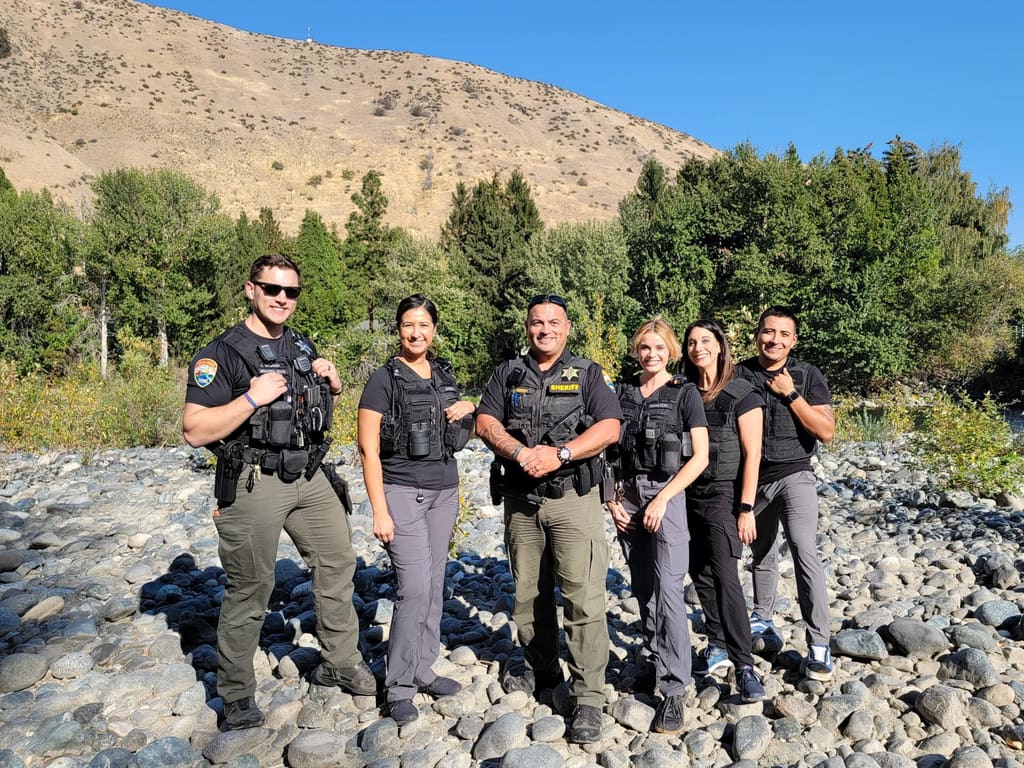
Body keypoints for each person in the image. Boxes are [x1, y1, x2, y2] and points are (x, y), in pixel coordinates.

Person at [183, 253, 375, 731]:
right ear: (251, 290)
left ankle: (341, 660)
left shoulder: (300, 345)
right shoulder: (222, 353)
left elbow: (312, 409)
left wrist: (332, 385)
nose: (282, 299)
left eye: (291, 292)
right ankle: (237, 694)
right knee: (251, 586)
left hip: (308, 474)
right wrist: (251, 398)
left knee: (337, 561)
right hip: (252, 480)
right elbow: (194, 429)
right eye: (272, 289)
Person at [475, 294, 623, 744]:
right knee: (527, 594)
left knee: (583, 598)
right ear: (527, 327)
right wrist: (518, 451)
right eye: (537, 323)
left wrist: (560, 454)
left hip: (572, 500)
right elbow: (484, 421)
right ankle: (542, 672)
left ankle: (588, 698)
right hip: (522, 501)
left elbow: (611, 425)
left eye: (553, 322)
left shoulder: (588, 373)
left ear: (568, 327)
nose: (545, 330)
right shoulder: (508, 373)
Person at [357, 295, 476, 725]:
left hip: (445, 491)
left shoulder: (443, 374)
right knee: (413, 590)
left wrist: (471, 409)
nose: (416, 333)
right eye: (409, 325)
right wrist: (379, 510)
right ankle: (399, 686)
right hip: (402, 492)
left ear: (434, 329)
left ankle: (424, 668)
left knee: (435, 583)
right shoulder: (383, 380)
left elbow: (461, 427)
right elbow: (368, 448)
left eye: (424, 325)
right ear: (398, 329)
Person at [606, 318, 709, 733]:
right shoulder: (623, 393)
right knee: (643, 590)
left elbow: (699, 457)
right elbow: (609, 450)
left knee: (668, 592)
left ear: (671, 351)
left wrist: (664, 499)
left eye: (659, 348)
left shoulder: (684, 393)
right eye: (645, 348)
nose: (652, 355)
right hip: (626, 494)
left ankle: (674, 688)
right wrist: (611, 499)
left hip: (667, 494)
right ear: (637, 351)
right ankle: (656, 658)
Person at [736, 306, 836, 681]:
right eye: (768, 332)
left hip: (795, 474)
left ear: (793, 340)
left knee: (803, 550)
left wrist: (790, 392)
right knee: (759, 551)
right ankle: (761, 619)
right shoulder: (740, 373)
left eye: (782, 334)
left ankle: (819, 645)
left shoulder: (808, 375)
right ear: (757, 334)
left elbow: (826, 431)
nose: (774, 340)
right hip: (751, 478)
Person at [682, 319, 766, 702]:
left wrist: (746, 508)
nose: (698, 347)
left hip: (724, 495)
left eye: (705, 340)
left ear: (719, 346)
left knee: (725, 576)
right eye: (691, 342)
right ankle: (716, 642)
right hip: (686, 494)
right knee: (698, 570)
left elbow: (753, 455)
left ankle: (744, 665)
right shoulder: (685, 392)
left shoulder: (743, 394)